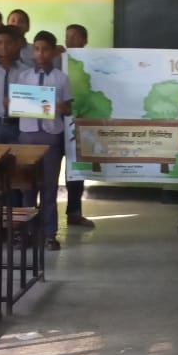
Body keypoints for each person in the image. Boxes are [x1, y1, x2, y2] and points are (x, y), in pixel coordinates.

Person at [17, 31, 73, 252]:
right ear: (33, 52)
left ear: (53, 52)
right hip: (27, 135)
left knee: (49, 187)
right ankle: (27, 233)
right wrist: (12, 103)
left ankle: (50, 234)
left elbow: (69, 109)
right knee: (27, 186)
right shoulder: (23, 77)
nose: (41, 53)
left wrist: (61, 107)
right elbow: (16, 103)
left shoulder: (61, 78)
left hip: (50, 135)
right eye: (37, 49)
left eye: (46, 49)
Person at [63, 23, 96, 228]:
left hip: (79, 123)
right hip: (56, 124)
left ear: (84, 41)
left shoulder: (90, 63)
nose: (70, 40)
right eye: (67, 36)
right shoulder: (58, 59)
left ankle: (74, 213)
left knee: (75, 172)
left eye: (75, 37)